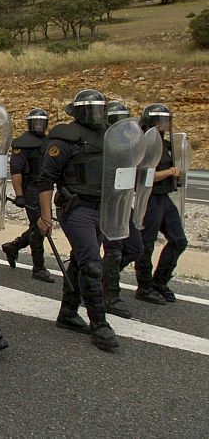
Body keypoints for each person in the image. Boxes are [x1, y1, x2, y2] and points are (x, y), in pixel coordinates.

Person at [37, 89, 119, 351]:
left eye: (99, 109)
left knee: (82, 260)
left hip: (102, 207)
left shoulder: (110, 136)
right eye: (90, 110)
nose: (96, 115)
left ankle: (68, 312)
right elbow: (45, 179)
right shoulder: (65, 138)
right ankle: (100, 325)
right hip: (77, 208)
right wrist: (45, 216)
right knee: (92, 265)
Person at [134, 104, 188, 304]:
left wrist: (177, 175)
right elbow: (142, 176)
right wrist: (168, 172)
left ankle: (160, 281)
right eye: (162, 120)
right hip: (148, 198)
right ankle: (145, 286)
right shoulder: (143, 144)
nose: (165, 124)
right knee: (146, 244)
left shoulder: (164, 145)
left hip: (163, 197)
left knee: (179, 240)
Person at [2, 108, 54, 283]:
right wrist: (19, 195)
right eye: (36, 123)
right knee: (39, 226)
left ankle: (14, 246)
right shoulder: (22, 143)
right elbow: (16, 170)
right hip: (31, 188)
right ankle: (38, 267)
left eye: (42, 123)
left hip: (46, 188)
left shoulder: (49, 142)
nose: (39, 126)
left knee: (41, 225)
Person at [101, 101, 143, 318]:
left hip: (124, 202)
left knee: (135, 247)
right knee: (113, 250)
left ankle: (100, 279)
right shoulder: (101, 143)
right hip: (104, 202)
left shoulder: (130, 146)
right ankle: (110, 295)